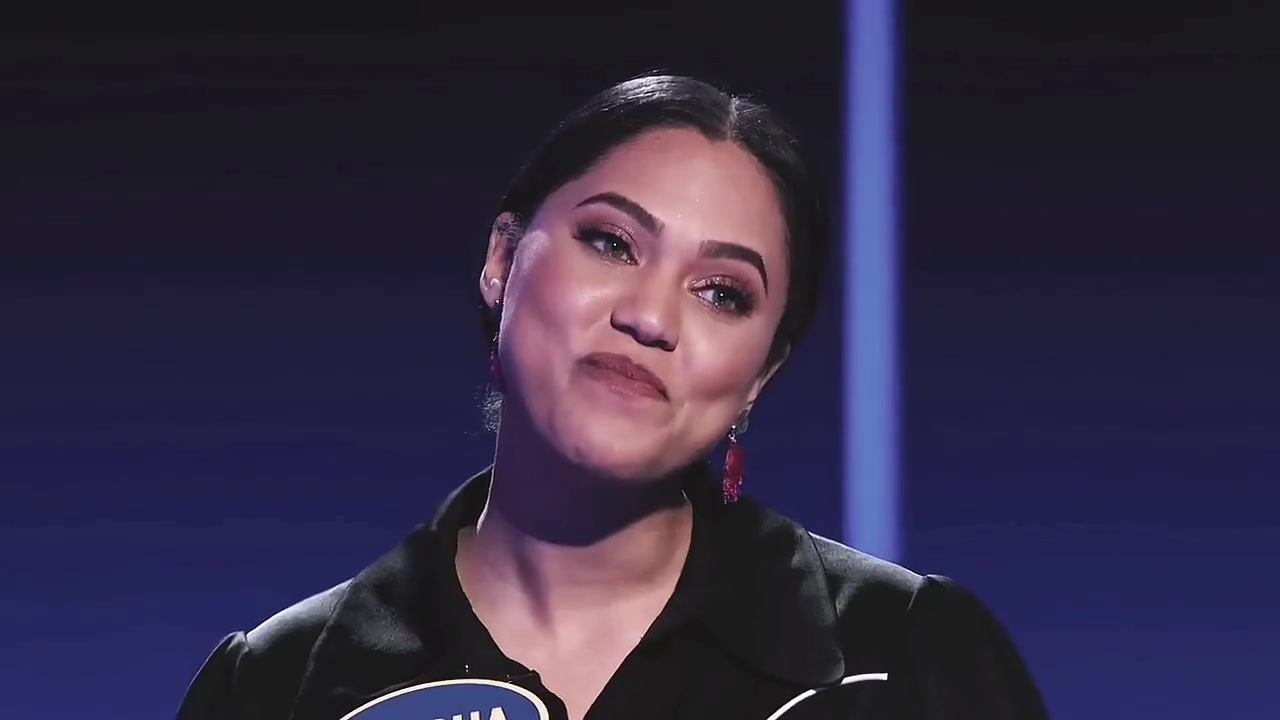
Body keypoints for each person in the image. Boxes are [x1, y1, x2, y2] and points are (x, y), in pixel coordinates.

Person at [176, 73, 1049, 720]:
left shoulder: (907, 663)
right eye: (611, 242)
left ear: (762, 374)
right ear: (502, 258)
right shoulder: (277, 687)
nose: (649, 317)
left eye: (722, 293)